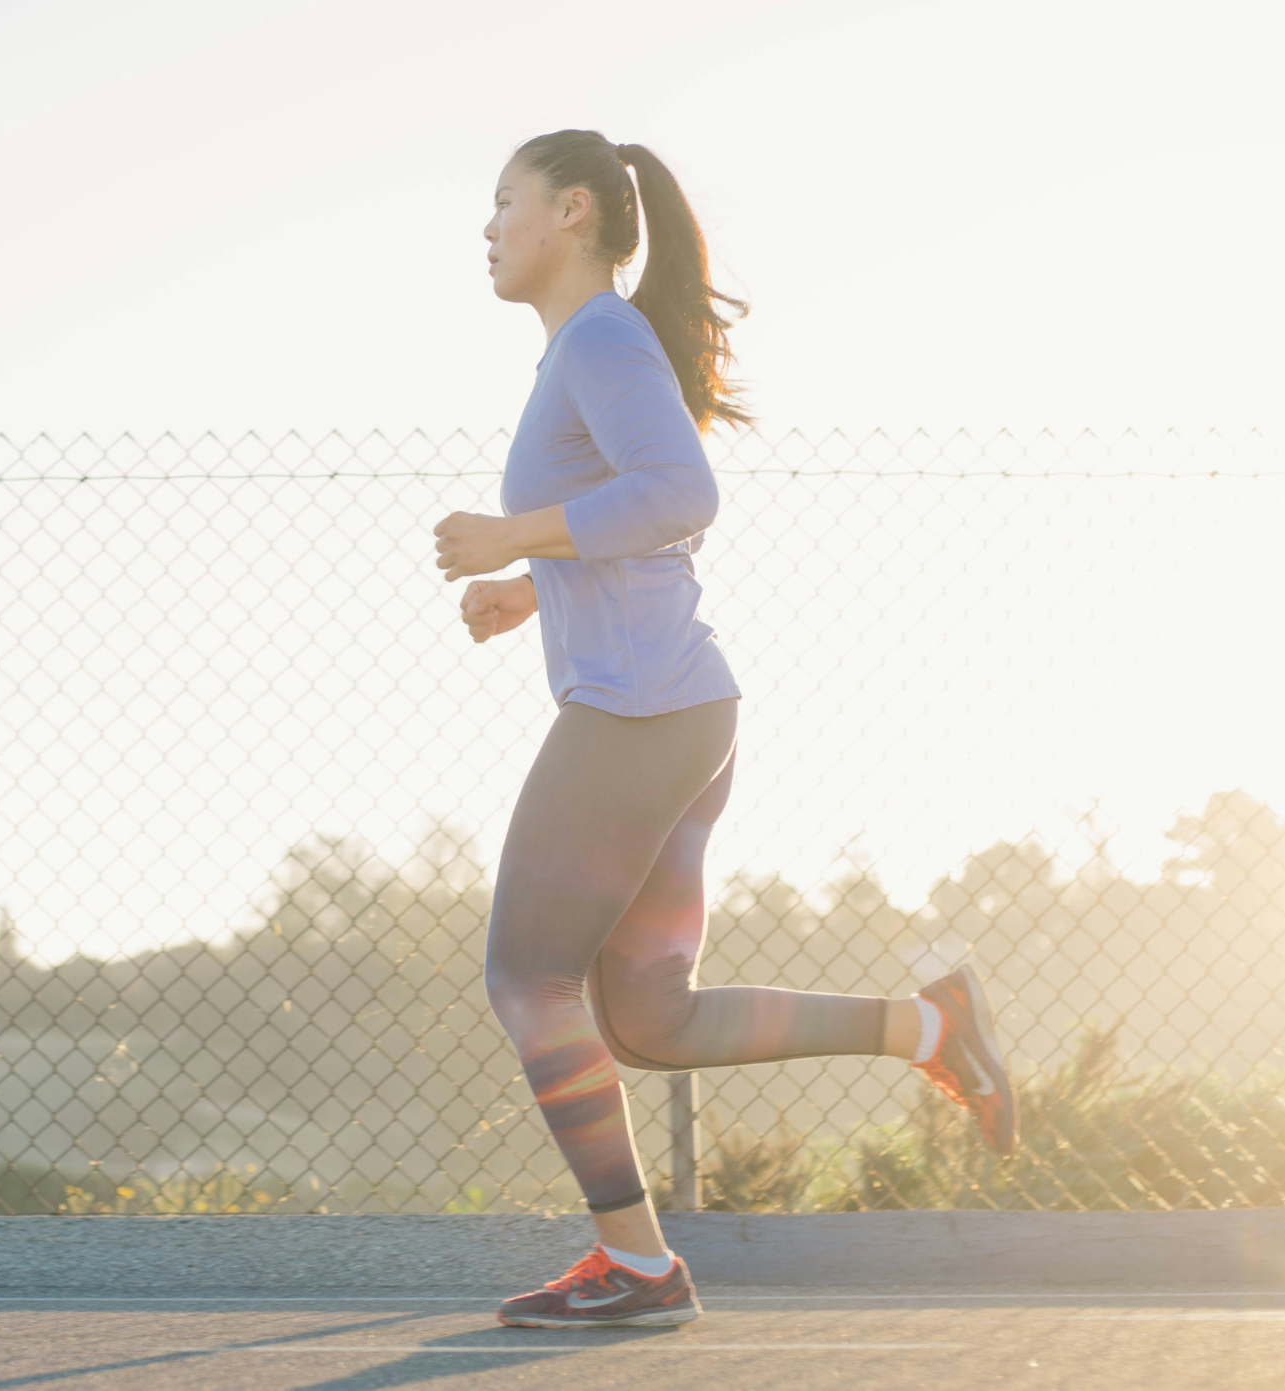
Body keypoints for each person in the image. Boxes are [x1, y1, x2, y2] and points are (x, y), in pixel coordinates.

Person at [433, 129, 1017, 1330]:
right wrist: (531, 584)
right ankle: (931, 1024)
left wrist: (514, 535)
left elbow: (682, 493)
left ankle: (639, 1266)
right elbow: (644, 521)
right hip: (681, 710)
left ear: (575, 212)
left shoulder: (596, 336)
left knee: (527, 974)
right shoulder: (586, 349)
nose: (486, 227)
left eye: (505, 202)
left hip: (640, 713)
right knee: (647, 1015)